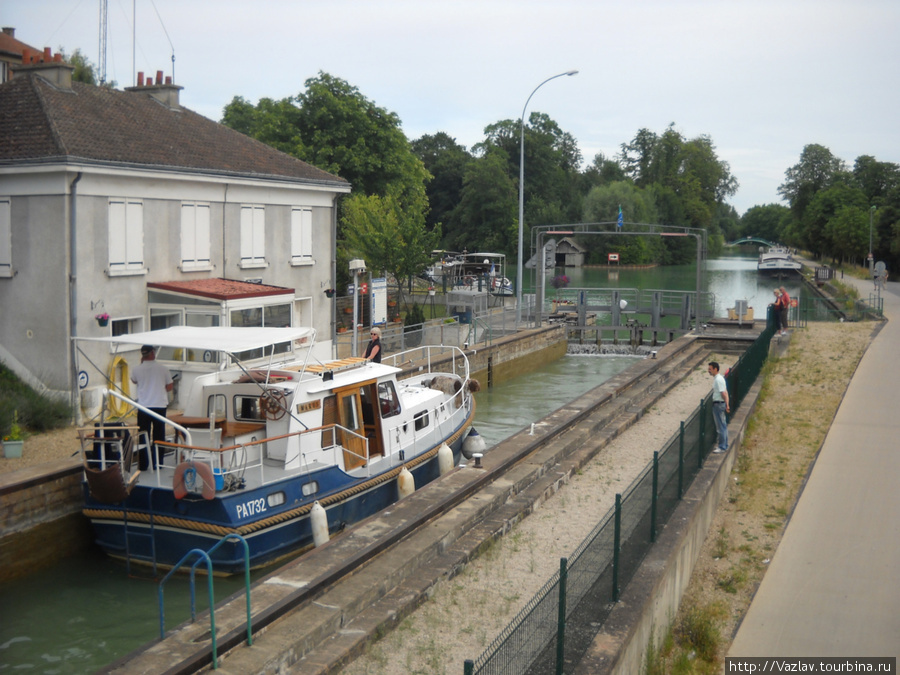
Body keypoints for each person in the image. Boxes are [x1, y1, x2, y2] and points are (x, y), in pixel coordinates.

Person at [130, 345, 173, 469]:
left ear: (142, 355)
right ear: (153, 353)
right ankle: (158, 464)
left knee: (143, 436)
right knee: (159, 436)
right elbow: (169, 387)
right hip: (159, 405)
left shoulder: (136, 369)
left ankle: (143, 465)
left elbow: (134, 381)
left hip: (143, 407)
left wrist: (141, 364)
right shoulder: (163, 369)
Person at [708, 361, 730, 454]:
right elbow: (726, 392)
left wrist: (726, 404)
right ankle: (724, 445)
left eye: (710, 369)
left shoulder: (718, 380)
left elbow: (723, 393)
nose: (709, 371)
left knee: (720, 426)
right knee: (723, 425)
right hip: (720, 404)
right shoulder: (720, 378)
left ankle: (722, 446)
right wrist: (727, 404)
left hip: (718, 404)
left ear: (715, 369)